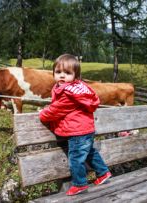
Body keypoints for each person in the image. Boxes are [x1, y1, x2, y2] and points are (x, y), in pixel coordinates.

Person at [39, 54, 111, 196]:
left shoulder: (69, 94)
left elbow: (55, 110)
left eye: (67, 73)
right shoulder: (78, 88)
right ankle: (103, 173)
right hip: (85, 130)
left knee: (75, 159)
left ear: (75, 75)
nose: (62, 76)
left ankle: (80, 184)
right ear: (53, 73)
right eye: (58, 72)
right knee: (90, 152)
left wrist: (42, 114)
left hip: (77, 132)